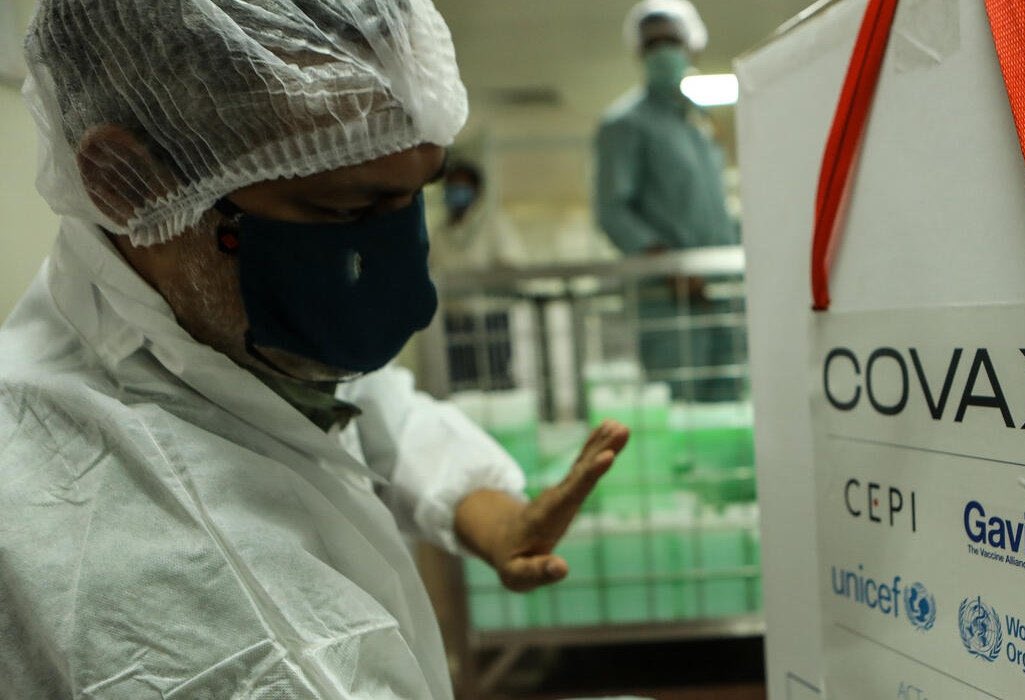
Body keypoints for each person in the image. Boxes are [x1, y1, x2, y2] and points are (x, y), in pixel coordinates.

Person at [0, 1, 628, 697]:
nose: (409, 293)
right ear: (128, 180)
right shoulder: (187, 590)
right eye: (345, 211)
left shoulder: (187, 329)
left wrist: (488, 512)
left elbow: (351, 404)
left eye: (415, 194)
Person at [594, 0, 743, 403]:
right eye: (652, 43)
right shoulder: (624, 124)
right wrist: (669, 267)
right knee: (683, 412)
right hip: (669, 303)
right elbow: (611, 210)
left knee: (734, 407)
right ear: (639, 52)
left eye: (671, 41)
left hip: (724, 294)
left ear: (692, 47)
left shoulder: (696, 123)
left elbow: (715, 210)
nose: (662, 50)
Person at [431, 160, 527, 392]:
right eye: (451, 187)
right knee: (461, 385)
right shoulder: (439, 232)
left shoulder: (493, 224)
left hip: (490, 318)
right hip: (454, 321)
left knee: (495, 381)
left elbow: (511, 264)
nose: (456, 192)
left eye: (462, 187)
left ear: (477, 191)